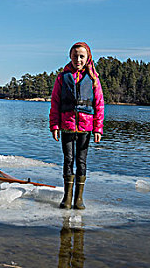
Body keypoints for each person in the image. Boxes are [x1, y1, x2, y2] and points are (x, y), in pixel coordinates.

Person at [49, 42, 104, 210]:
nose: (78, 59)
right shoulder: (62, 77)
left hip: (86, 127)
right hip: (66, 125)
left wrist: (97, 128)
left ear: (87, 58)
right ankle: (67, 198)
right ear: (70, 57)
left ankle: (78, 199)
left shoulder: (93, 78)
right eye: (75, 56)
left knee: (81, 161)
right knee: (68, 160)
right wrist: (54, 125)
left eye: (81, 56)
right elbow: (55, 103)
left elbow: (99, 104)